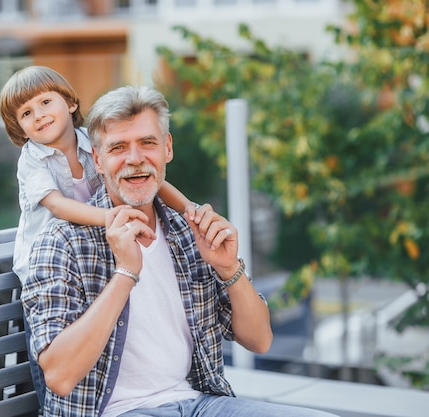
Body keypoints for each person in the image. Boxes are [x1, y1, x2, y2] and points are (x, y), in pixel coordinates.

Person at [21, 85, 339, 417]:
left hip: (201, 403)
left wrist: (230, 269)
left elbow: (259, 340)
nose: (135, 158)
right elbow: (58, 377)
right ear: (98, 161)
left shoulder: (188, 233)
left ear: (167, 148)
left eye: (148, 143)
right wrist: (125, 273)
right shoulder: (62, 241)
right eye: (118, 148)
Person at [0, 67, 196, 407]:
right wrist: (113, 218)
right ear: (20, 127)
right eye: (27, 113)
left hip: (88, 254)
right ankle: (56, 409)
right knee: (49, 339)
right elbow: (58, 206)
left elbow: (153, 180)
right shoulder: (31, 160)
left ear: (71, 103)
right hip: (46, 265)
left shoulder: (93, 142)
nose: (39, 115)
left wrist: (190, 209)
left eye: (46, 102)